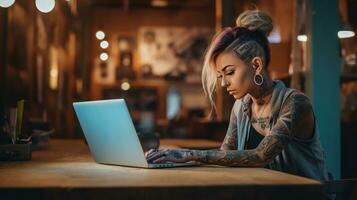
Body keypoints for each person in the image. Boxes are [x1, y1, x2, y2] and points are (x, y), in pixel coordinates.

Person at [146, 10, 329, 181]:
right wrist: (172, 160)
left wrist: (188, 154)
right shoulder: (241, 106)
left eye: (230, 72)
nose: (224, 83)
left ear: (256, 65)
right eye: (221, 76)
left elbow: (260, 156)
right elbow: (225, 155)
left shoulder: (295, 103)